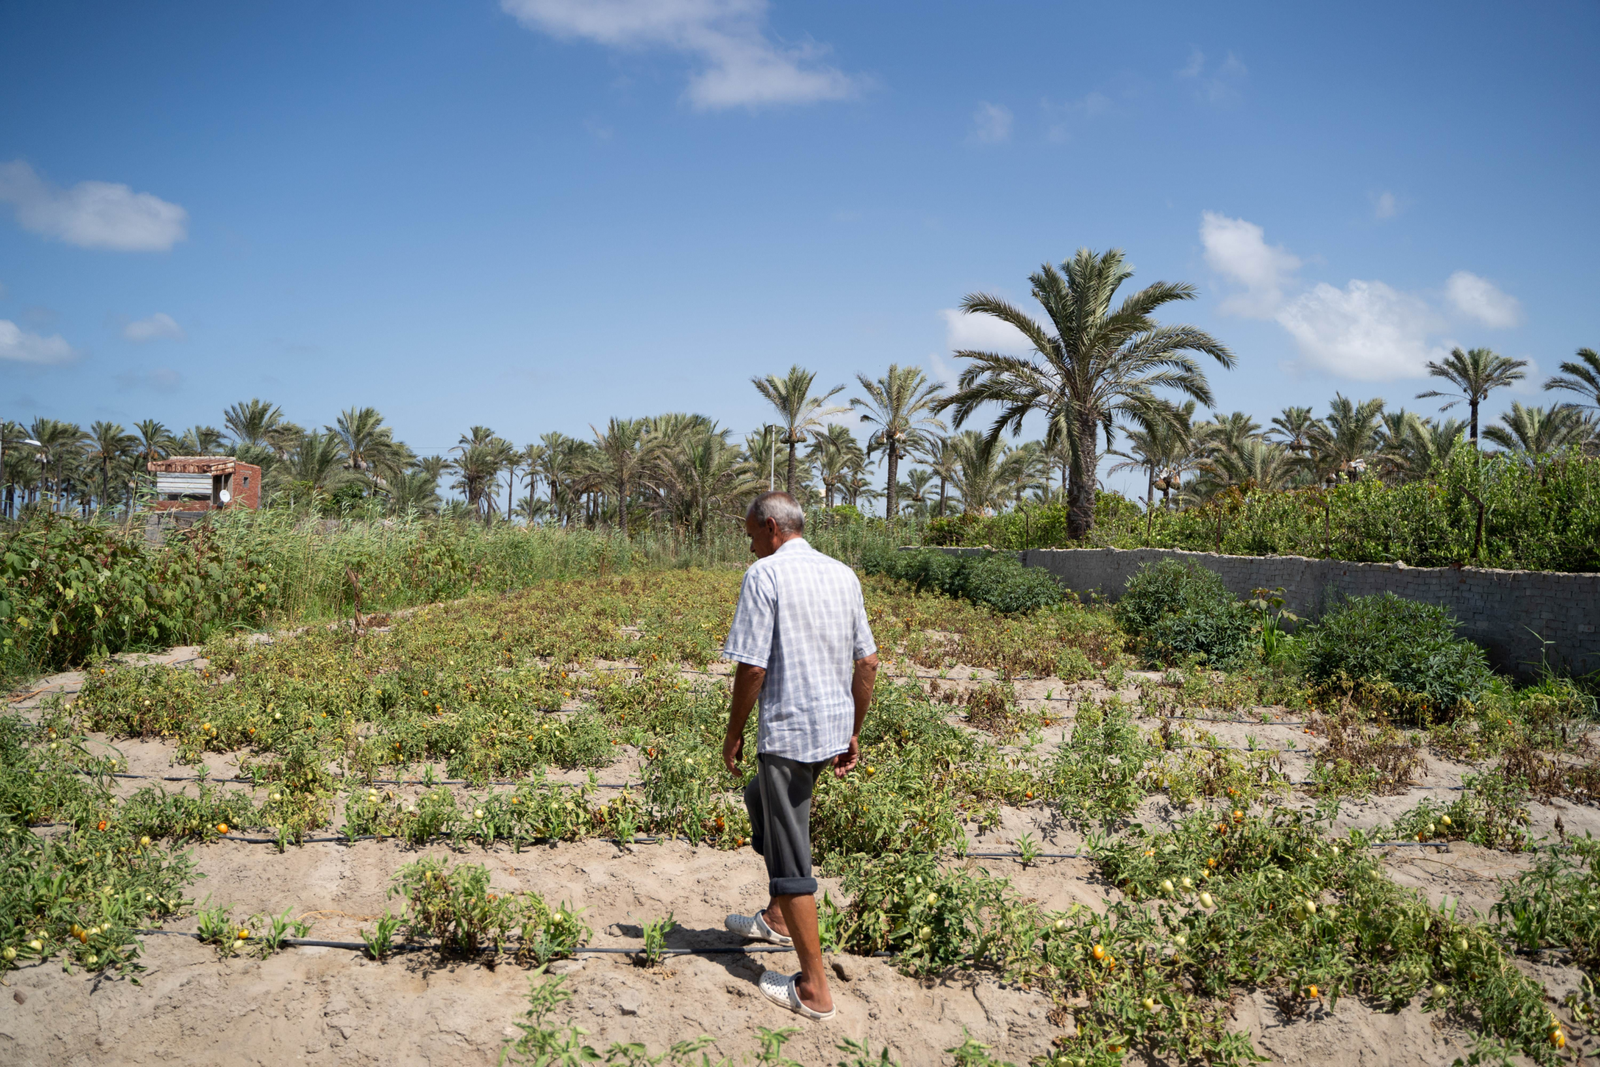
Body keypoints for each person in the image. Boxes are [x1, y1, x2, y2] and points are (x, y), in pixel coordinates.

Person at [721, 491, 878, 1021]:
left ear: (770, 527)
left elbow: (753, 669)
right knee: (758, 799)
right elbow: (869, 663)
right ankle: (779, 917)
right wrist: (853, 730)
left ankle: (814, 989)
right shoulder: (844, 574)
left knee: (790, 856)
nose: (749, 549)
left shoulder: (765, 577)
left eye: (750, 537)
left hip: (788, 734)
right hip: (829, 729)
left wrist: (734, 731)